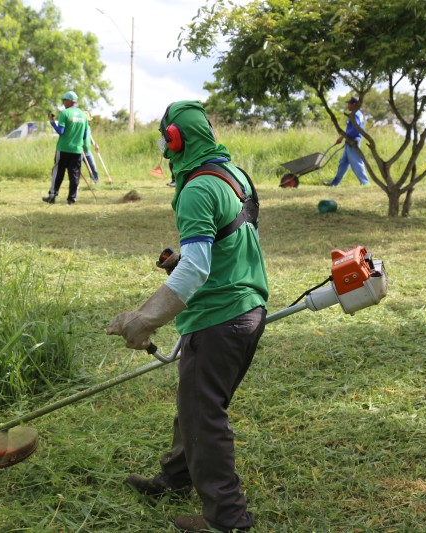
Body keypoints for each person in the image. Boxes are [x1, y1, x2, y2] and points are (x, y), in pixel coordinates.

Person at [106, 100, 268, 533]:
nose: (163, 144)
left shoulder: (197, 189)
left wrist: (145, 319)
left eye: (165, 136)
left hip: (219, 318)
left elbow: (197, 269)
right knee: (195, 405)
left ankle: (228, 520)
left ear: (174, 139)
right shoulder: (234, 175)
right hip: (250, 311)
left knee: (204, 416)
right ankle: (176, 478)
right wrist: (183, 256)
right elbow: (232, 233)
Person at [43, 91, 89, 205]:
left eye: (64, 100)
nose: (63, 103)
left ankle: (52, 196)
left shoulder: (65, 113)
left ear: (69, 101)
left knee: (58, 172)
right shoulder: (84, 115)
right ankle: (72, 199)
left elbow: (61, 132)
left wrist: (52, 122)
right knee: (74, 174)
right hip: (77, 150)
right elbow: (85, 135)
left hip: (63, 149)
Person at [324, 96, 369, 187]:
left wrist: (344, 137)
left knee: (356, 162)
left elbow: (356, 128)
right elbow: (350, 128)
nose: (348, 105)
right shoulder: (357, 113)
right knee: (343, 162)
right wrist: (342, 137)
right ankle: (334, 183)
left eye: (349, 103)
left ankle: (365, 183)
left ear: (354, 104)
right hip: (350, 140)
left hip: (353, 141)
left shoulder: (355, 114)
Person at [83, 112, 99, 184]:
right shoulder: (79, 127)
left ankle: (95, 181)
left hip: (88, 151)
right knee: (76, 168)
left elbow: (89, 137)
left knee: (93, 166)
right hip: (79, 151)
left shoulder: (88, 127)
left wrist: (95, 144)